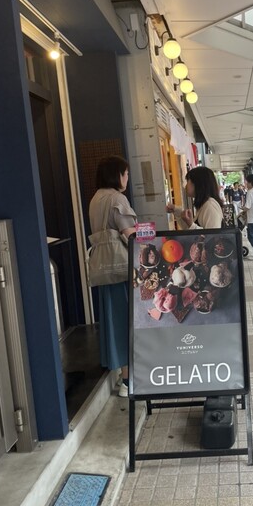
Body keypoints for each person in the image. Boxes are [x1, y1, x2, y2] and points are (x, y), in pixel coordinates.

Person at [89, 155, 136, 398]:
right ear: (116, 174)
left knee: (112, 321)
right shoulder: (117, 198)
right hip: (121, 269)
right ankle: (129, 381)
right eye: (125, 173)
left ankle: (121, 374)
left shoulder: (96, 199)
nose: (127, 178)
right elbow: (130, 234)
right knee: (126, 321)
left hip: (104, 268)